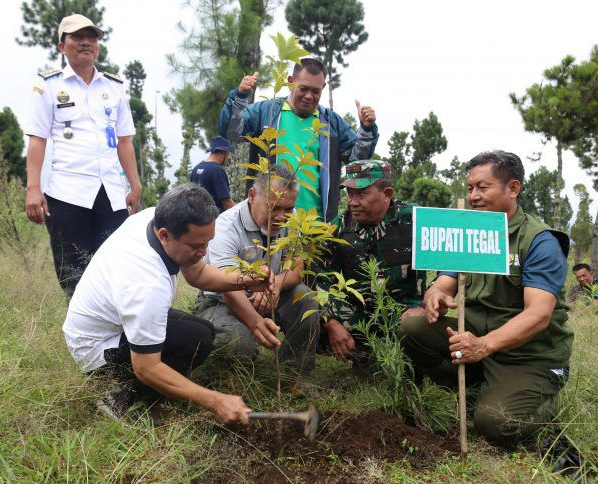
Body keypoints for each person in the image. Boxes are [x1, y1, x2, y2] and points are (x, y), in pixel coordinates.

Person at [399, 151, 573, 447]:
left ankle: (544, 403)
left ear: (513, 189)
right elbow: (444, 281)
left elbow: (539, 315)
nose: (474, 196)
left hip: (527, 354)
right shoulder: (468, 230)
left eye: (483, 187)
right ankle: (479, 387)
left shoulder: (539, 241)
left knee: (496, 425)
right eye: (469, 189)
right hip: (477, 339)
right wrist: (436, 294)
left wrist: (483, 345)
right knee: (411, 327)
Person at [62, 183, 272, 423]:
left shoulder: (158, 218)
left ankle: (151, 389)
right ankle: (121, 399)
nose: (204, 252)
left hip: (115, 319)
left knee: (203, 331)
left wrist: (247, 280)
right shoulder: (146, 284)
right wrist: (216, 400)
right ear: (164, 235)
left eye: (207, 243)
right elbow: (146, 367)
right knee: (195, 342)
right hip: (96, 348)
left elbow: (198, 274)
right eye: (196, 246)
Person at [24, 14, 142, 299]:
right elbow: (37, 139)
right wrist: (33, 188)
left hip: (111, 194)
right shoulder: (48, 85)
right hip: (67, 194)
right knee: (74, 274)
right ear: (62, 46)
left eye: (92, 37)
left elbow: (124, 140)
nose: (86, 42)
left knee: (115, 270)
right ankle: (82, 339)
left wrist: (134, 185)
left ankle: (114, 341)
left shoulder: (114, 87)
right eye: (77, 36)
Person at [219, 57, 378, 222]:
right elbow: (231, 133)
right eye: (303, 88)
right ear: (290, 82)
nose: (309, 96)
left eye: (316, 91)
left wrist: (366, 129)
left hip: (316, 227)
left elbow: (356, 160)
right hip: (269, 224)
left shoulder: (332, 123)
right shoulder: (268, 111)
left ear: (323, 88)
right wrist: (239, 98)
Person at [195, 166, 320, 370]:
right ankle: (227, 378)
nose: (282, 217)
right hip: (221, 301)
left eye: (288, 209)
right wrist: (256, 323)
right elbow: (229, 287)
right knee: (238, 344)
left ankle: (295, 373)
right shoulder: (225, 227)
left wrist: (276, 284)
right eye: (274, 208)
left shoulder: (292, 216)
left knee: (306, 299)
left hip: (269, 292)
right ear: (252, 195)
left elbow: (297, 270)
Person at [320, 160, 425, 372]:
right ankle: (361, 356)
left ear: (387, 193)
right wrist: (331, 322)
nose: (352, 202)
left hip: (402, 312)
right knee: (309, 313)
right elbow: (322, 278)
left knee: (415, 333)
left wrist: (424, 307)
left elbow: (446, 268)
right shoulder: (339, 227)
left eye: (362, 194)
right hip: (359, 316)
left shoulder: (416, 220)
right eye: (349, 194)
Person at [190, 136, 235, 211]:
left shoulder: (196, 168)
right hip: (214, 219)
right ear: (223, 152)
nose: (228, 157)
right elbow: (226, 202)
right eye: (228, 154)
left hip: (197, 217)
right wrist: (240, 213)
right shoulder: (216, 170)